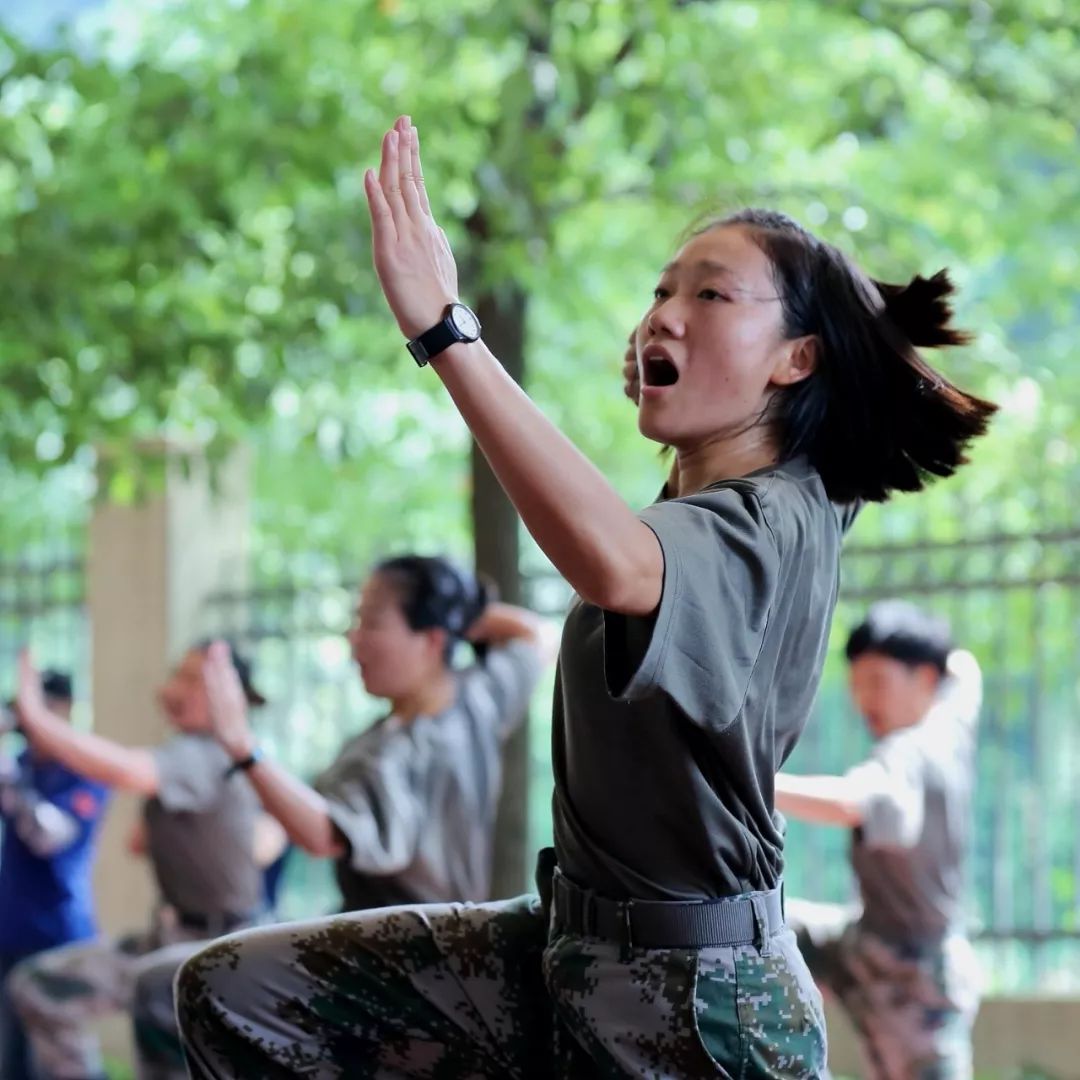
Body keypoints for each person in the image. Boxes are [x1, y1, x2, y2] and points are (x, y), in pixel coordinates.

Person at [175, 116, 997, 1079]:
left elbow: (615, 564)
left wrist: (446, 331)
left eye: (711, 293)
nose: (664, 313)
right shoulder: (702, 503)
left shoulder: (774, 518)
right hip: (560, 941)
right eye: (660, 291)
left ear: (796, 359)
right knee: (240, 993)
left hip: (698, 998)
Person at [128, 554, 556, 1077]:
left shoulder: (401, 752)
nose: (354, 639)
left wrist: (242, 747)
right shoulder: (477, 698)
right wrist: (455, 609)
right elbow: (532, 633)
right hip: (450, 954)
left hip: (401, 963)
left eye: (371, 621)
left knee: (170, 984)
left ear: (432, 641)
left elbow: (324, 834)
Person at [8, 642, 284, 1080]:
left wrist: (39, 719)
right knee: (39, 986)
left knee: (156, 1004)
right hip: (168, 935)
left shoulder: (209, 754)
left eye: (194, 680)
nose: (175, 688)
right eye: (180, 674)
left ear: (233, 697)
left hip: (222, 948)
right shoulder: (188, 755)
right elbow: (137, 841)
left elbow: (124, 770)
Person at [775, 602, 983, 1079]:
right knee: (775, 926)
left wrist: (760, 785)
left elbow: (854, 801)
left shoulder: (910, 754)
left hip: (917, 985)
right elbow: (965, 669)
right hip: (865, 946)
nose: (864, 699)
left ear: (925, 679)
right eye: (857, 683)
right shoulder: (950, 716)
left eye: (879, 683)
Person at [0, 671, 110, 1080]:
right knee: (11, 1061)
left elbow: (48, 838)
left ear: (61, 709)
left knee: (62, 1061)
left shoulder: (85, 771)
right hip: (10, 928)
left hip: (59, 933)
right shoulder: (21, 764)